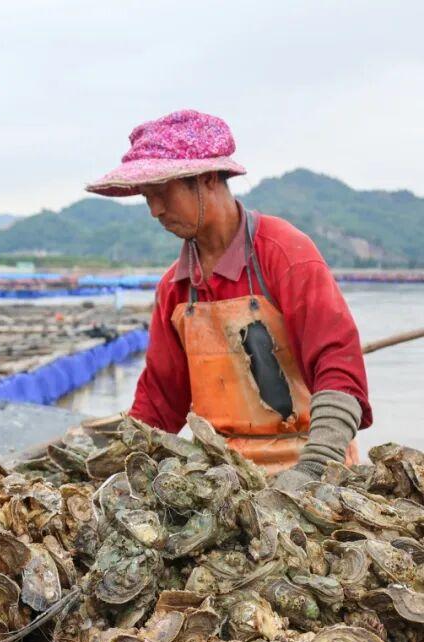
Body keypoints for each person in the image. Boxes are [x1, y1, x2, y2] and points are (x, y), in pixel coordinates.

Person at [86, 109, 370, 486]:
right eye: (146, 197)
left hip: (310, 464)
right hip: (222, 476)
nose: (155, 210)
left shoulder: (285, 254)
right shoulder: (175, 288)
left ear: (206, 179)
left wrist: (315, 466)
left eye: (161, 193)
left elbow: (339, 368)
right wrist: (124, 465)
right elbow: (160, 400)